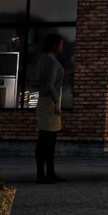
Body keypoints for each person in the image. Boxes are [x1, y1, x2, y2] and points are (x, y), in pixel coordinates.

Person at [35, 33, 66, 184]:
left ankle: (44, 174)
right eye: (61, 44)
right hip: (49, 102)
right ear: (55, 45)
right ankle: (47, 174)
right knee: (48, 140)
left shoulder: (42, 59)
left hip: (43, 101)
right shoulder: (52, 62)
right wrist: (57, 104)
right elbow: (50, 84)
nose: (62, 47)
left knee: (44, 140)